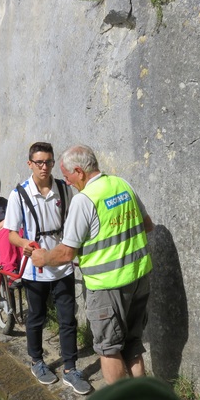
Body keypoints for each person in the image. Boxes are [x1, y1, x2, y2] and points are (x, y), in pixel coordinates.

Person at [31, 145, 154, 385]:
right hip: (139, 279)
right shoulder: (123, 185)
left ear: (79, 171)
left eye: (67, 177)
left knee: (108, 348)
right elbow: (147, 225)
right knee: (133, 344)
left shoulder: (84, 200)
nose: (66, 182)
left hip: (107, 286)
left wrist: (43, 258)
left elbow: (66, 253)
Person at [4, 142, 91, 395]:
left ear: (54, 163)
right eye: (39, 162)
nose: (44, 167)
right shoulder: (19, 194)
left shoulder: (64, 189)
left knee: (67, 318)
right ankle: (37, 361)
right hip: (35, 268)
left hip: (62, 264)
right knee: (36, 317)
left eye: (49, 162)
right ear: (30, 164)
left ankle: (70, 368)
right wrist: (24, 243)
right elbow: (10, 233)